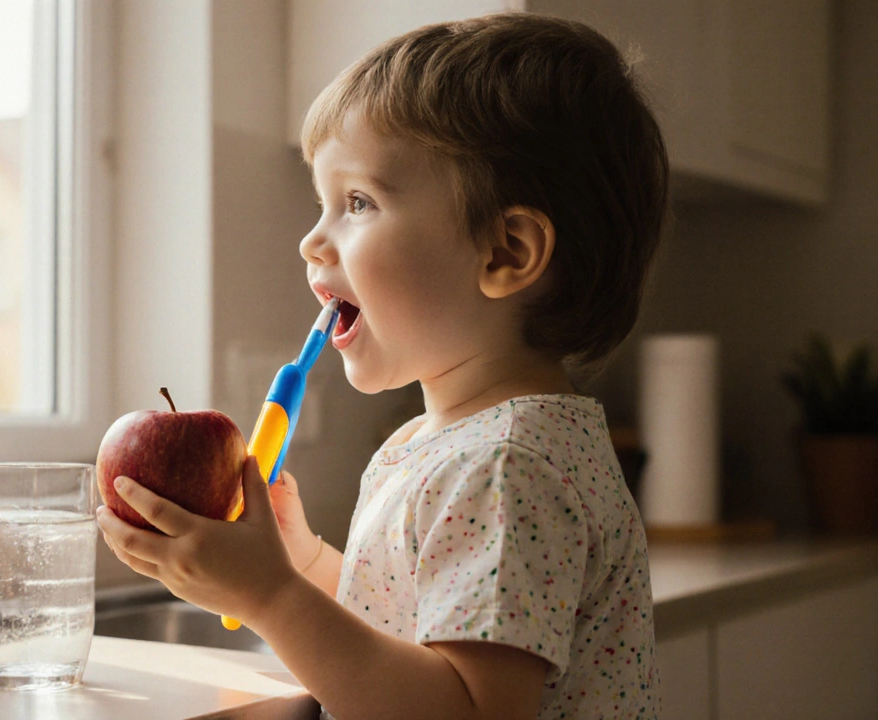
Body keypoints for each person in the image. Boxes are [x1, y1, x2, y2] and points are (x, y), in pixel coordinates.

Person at [97, 12, 667, 720]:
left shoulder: (506, 466)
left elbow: (462, 710)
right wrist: (301, 562)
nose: (312, 241)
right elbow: (406, 626)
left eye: (357, 203)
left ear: (506, 253)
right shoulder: (439, 445)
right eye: (322, 204)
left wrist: (269, 596)